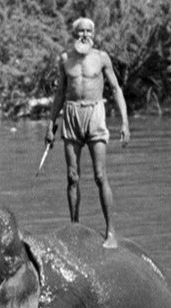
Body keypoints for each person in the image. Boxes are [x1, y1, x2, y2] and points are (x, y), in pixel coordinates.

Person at [44, 17, 130, 248]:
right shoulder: (65, 59)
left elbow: (116, 89)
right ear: (74, 35)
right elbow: (60, 93)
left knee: (100, 176)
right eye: (80, 31)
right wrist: (51, 124)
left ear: (93, 34)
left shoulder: (101, 58)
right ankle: (74, 228)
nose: (84, 35)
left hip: (95, 115)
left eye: (88, 31)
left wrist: (125, 122)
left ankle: (110, 232)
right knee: (72, 177)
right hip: (71, 115)